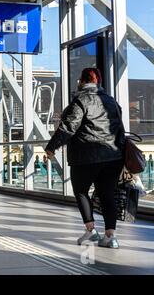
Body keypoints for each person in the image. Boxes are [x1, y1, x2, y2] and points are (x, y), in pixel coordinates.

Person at [45, 67, 125, 249]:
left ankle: (90, 231)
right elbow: (120, 129)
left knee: (81, 191)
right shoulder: (111, 101)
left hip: (86, 157)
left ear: (81, 81)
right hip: (113, 157)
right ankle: (110, 237)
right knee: (107, 194)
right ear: (99, 82)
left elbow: (68, 127)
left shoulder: (81, 100)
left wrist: (51, 147)